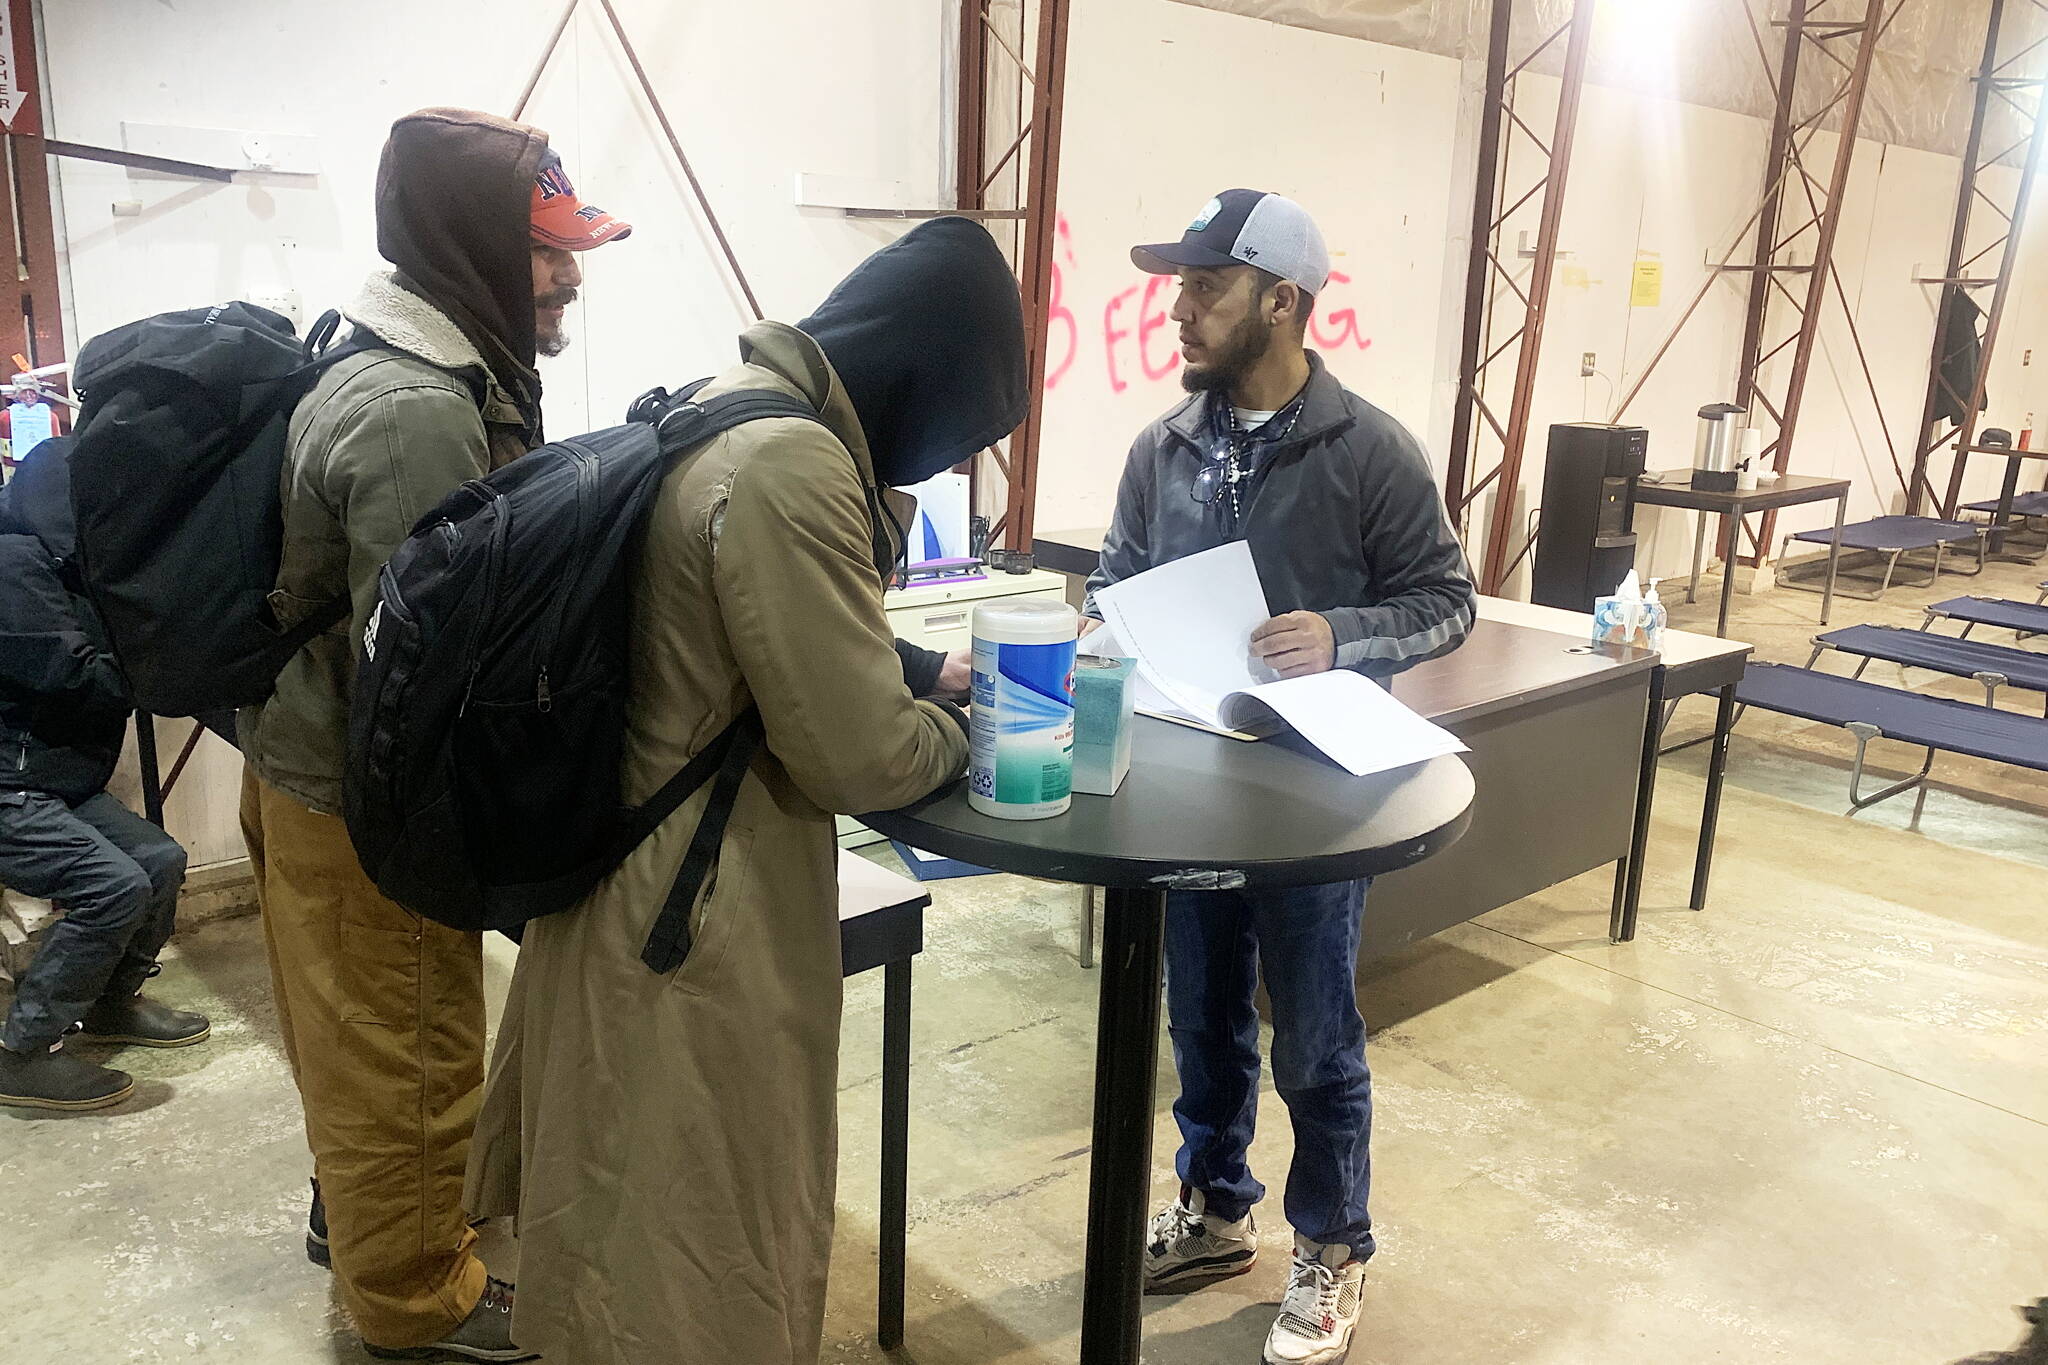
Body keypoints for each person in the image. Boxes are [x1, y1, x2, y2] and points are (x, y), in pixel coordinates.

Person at [462, 216, 1025, 1365]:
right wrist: (973, 734)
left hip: (621, 875)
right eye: (956, 428)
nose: (939, 459)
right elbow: (861, 756)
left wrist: (917, 669)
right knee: (686, 1260)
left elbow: (740, 630)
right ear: (922, 381)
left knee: (622, 1235)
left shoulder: (728, 407)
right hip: (691, 926)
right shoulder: (792, 464)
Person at [236, 107, 629, 1363]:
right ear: (471, 249)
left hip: (309, 766)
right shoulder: (417, 409)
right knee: (407, 1050)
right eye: (546, 252)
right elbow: (420, 675)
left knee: (354, 1040)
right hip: (362, 800)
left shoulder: (411, 361)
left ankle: (354, 1220)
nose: (569, 276)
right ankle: (415, 1301)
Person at [1084, 189, 1475, 1365]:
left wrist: (1341, 636)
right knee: (1201, 1019)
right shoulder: (1162, 449)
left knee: (1313, 1036)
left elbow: (1445, 601)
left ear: (1282, 300)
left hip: (1320, 801)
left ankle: (1332, 1245)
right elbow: (1112, 580)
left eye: (1206, 287)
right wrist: (1110, 634)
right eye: (1180, 287)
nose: (1179, 310)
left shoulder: (1368, 451)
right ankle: (1215, 1209)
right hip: (1188, 789)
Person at [0, 439, 201, 1112]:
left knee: (161, 861)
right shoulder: (11, 562)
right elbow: (72, 671)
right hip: (10, 786)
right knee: (111, 886)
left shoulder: (74, 564)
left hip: (55, 779)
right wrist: (173, 662)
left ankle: (111, 1003)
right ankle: (22, 1052)